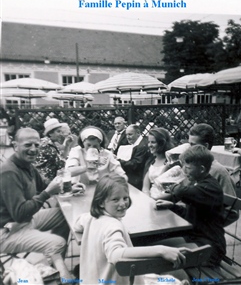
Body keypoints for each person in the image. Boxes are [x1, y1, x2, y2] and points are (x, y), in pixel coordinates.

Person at [74, 173, 189, 285]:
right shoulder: (113, 226)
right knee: (167, 279)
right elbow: (115, 255)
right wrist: (161, 250)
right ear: (101, 203)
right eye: (115, 199)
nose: (123, 203)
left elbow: (77, 224)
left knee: (153, 278)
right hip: (118, 280)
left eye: (125, 198)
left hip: (92, 279)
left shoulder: (90, 217)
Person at [0, 128, 72, 280]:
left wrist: (68, 186)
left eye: (37, 145)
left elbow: (44, 185)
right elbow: (20, 213)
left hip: (23, 222)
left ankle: (55, 265)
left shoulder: (27, 166)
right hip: (7, 232)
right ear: (15, 146)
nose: (33, 149)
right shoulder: (9, 172)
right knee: (58, 242)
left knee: (65, 214)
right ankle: (55, 272)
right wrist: (47, 193)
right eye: (28, 145)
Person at [155, 145, 226, 267]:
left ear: (202, 169)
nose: (183, 170)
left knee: (160, 259)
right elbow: (191, 214)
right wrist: (172, 206)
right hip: (195, 239)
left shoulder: (209, 188)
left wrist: (170, 182)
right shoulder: (199, 185)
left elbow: (181, 191)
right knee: (156, 248)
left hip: (209, 248)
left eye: (187, 167)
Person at [34, 118, 73, 186]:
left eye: (61, 132)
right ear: (50, 133)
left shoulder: (51, 143)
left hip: (50, 180)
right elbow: (62, 166)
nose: (61, 134)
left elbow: (62, 159)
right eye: (58, 132)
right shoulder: (46, 145)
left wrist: (67, 146)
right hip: (44, 183)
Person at [142, 127, 174, 197]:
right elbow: (145, 187)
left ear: (162, 144)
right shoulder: (151, 161)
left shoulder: (170, 162)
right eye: (149, 142)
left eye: (153, 142)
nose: (149, 145)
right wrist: (147, 197)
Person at [117, 124, 150, 190]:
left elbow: (135, 164)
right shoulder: (138, 143)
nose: (127, 137)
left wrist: (118, 161)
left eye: (130, 134)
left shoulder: (142, 146)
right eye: (126, 135)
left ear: (138, 133)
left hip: (139, 180)